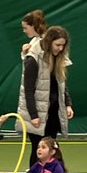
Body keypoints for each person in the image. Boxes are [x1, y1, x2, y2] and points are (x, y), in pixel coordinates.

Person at [18, 25, 74, 165]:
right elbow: (28, 90)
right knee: (39, 150)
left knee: (52, 148)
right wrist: (34, 115)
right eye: (58, 45)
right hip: (37, 114)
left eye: (63, 45)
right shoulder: (33, 59)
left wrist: (67, 104)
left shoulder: (58, 58)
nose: (60, 48)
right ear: (49, 42)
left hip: (53, 112)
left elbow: (62, 83)